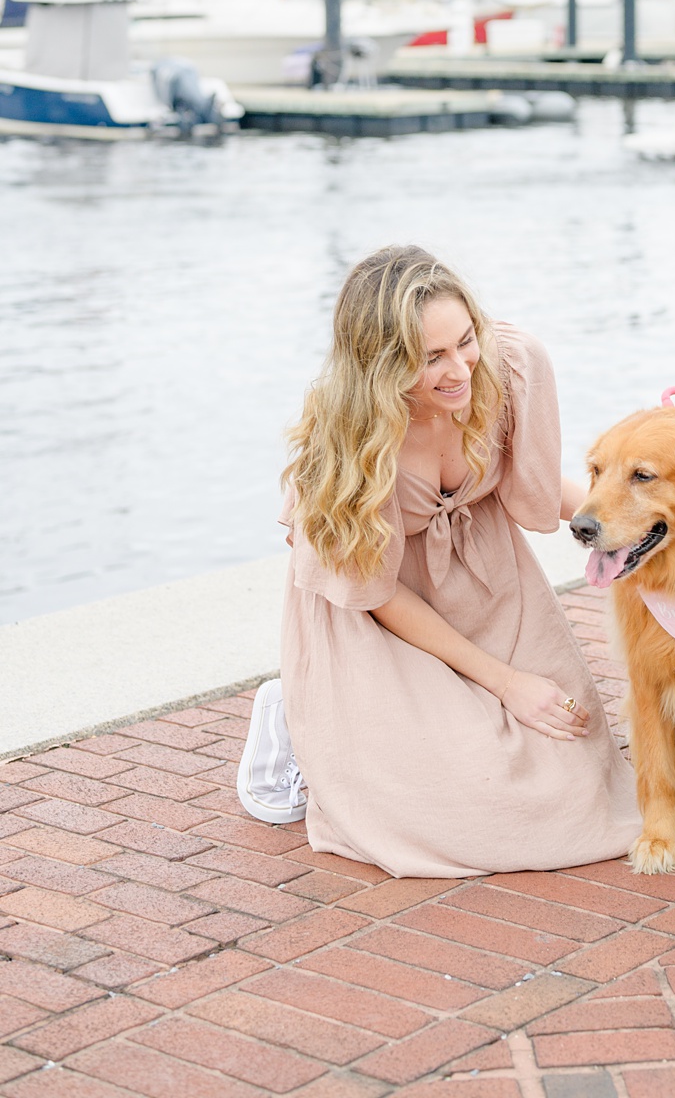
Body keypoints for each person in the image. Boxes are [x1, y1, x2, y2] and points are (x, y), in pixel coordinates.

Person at [238, 246, 639, 878]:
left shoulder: (507, 369)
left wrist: (623, 528)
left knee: (575, 791)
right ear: (382, 366)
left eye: (465, 341)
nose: (460, 370)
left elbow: (534, 483)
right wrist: (507, 684)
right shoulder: (345, 442)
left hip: (486, 583)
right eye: (431, 358)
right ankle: (293, 705)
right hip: (381, 609)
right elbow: (378, 595)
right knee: (466, 807)